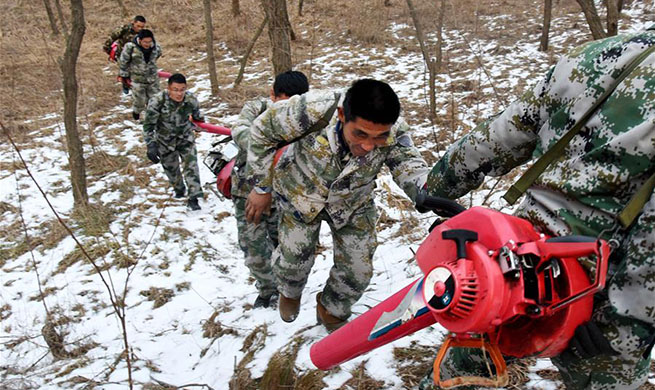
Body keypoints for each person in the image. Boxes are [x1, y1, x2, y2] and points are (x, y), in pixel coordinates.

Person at [422, 26, 655, 389]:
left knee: (468, 364)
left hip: (514, 258)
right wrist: (628, 321)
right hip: (604, 293)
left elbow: (500, 135)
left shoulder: (594, 55)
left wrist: (438, 184)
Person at [245, 79, 429, 331]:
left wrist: (427, 193)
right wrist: (261, 187)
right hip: (301, 193)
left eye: (379, 138)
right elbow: (262, 131)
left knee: (358, 271)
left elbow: (408, 164)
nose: (367, 146)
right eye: (360, 134)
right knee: (292, 263)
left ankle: (331, 309)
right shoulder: (312, 109)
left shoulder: (395, 130)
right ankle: (289, 291)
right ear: (342, 115)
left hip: (353, 201)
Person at [232, 70, 309, 309]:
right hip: (249, 192)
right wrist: (271, 138)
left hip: (285, 195)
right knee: (253, 247)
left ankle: (285, 290)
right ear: (272, 95)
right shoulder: (257, 108)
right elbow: (240, 132)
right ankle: (267, 291)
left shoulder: (307, 116)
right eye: (282, 103)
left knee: (284, 248)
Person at [143, 73, 204, 211]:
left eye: (182, 89)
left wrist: (199, 124)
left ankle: (194, 197)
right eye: (175, 90)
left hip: (185, 138)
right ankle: (179, 189)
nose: (179, 93)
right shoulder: (157, 101)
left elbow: (198, 117)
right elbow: (148, 126)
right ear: (169, 89)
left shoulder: (190, 99)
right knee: (171, 169)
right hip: (165, 141)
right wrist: (150, 144)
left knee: (191, 166)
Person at [118, 29, 162, 121]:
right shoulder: (131, 47)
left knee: (155, 101)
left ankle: (152, 120)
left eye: (149, 42)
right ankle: (136, 112)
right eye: (145, 42)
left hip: (152, 79)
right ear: (140, 40)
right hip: (137, 80)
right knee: (140, 101)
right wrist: (124, 75)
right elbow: (123, 61)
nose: (147, 44)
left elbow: (157, 56)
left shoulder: (156, 48)